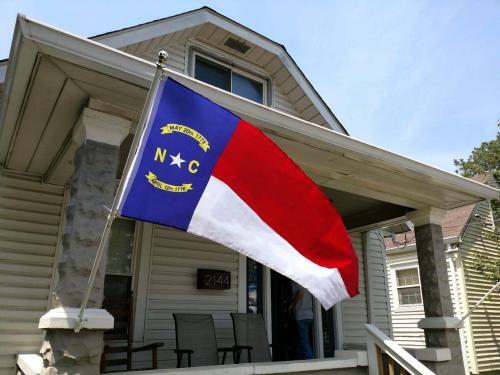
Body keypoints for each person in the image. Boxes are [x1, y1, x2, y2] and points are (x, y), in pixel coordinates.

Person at [289, 281, 314, 359]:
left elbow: (301, 292)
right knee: (302, 339)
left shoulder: (297, 280)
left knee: (304, 341)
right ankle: (301, 360)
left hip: (302, 315)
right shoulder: (306, 281)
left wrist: (292, 305)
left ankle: (310, 360)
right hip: (309, 314)